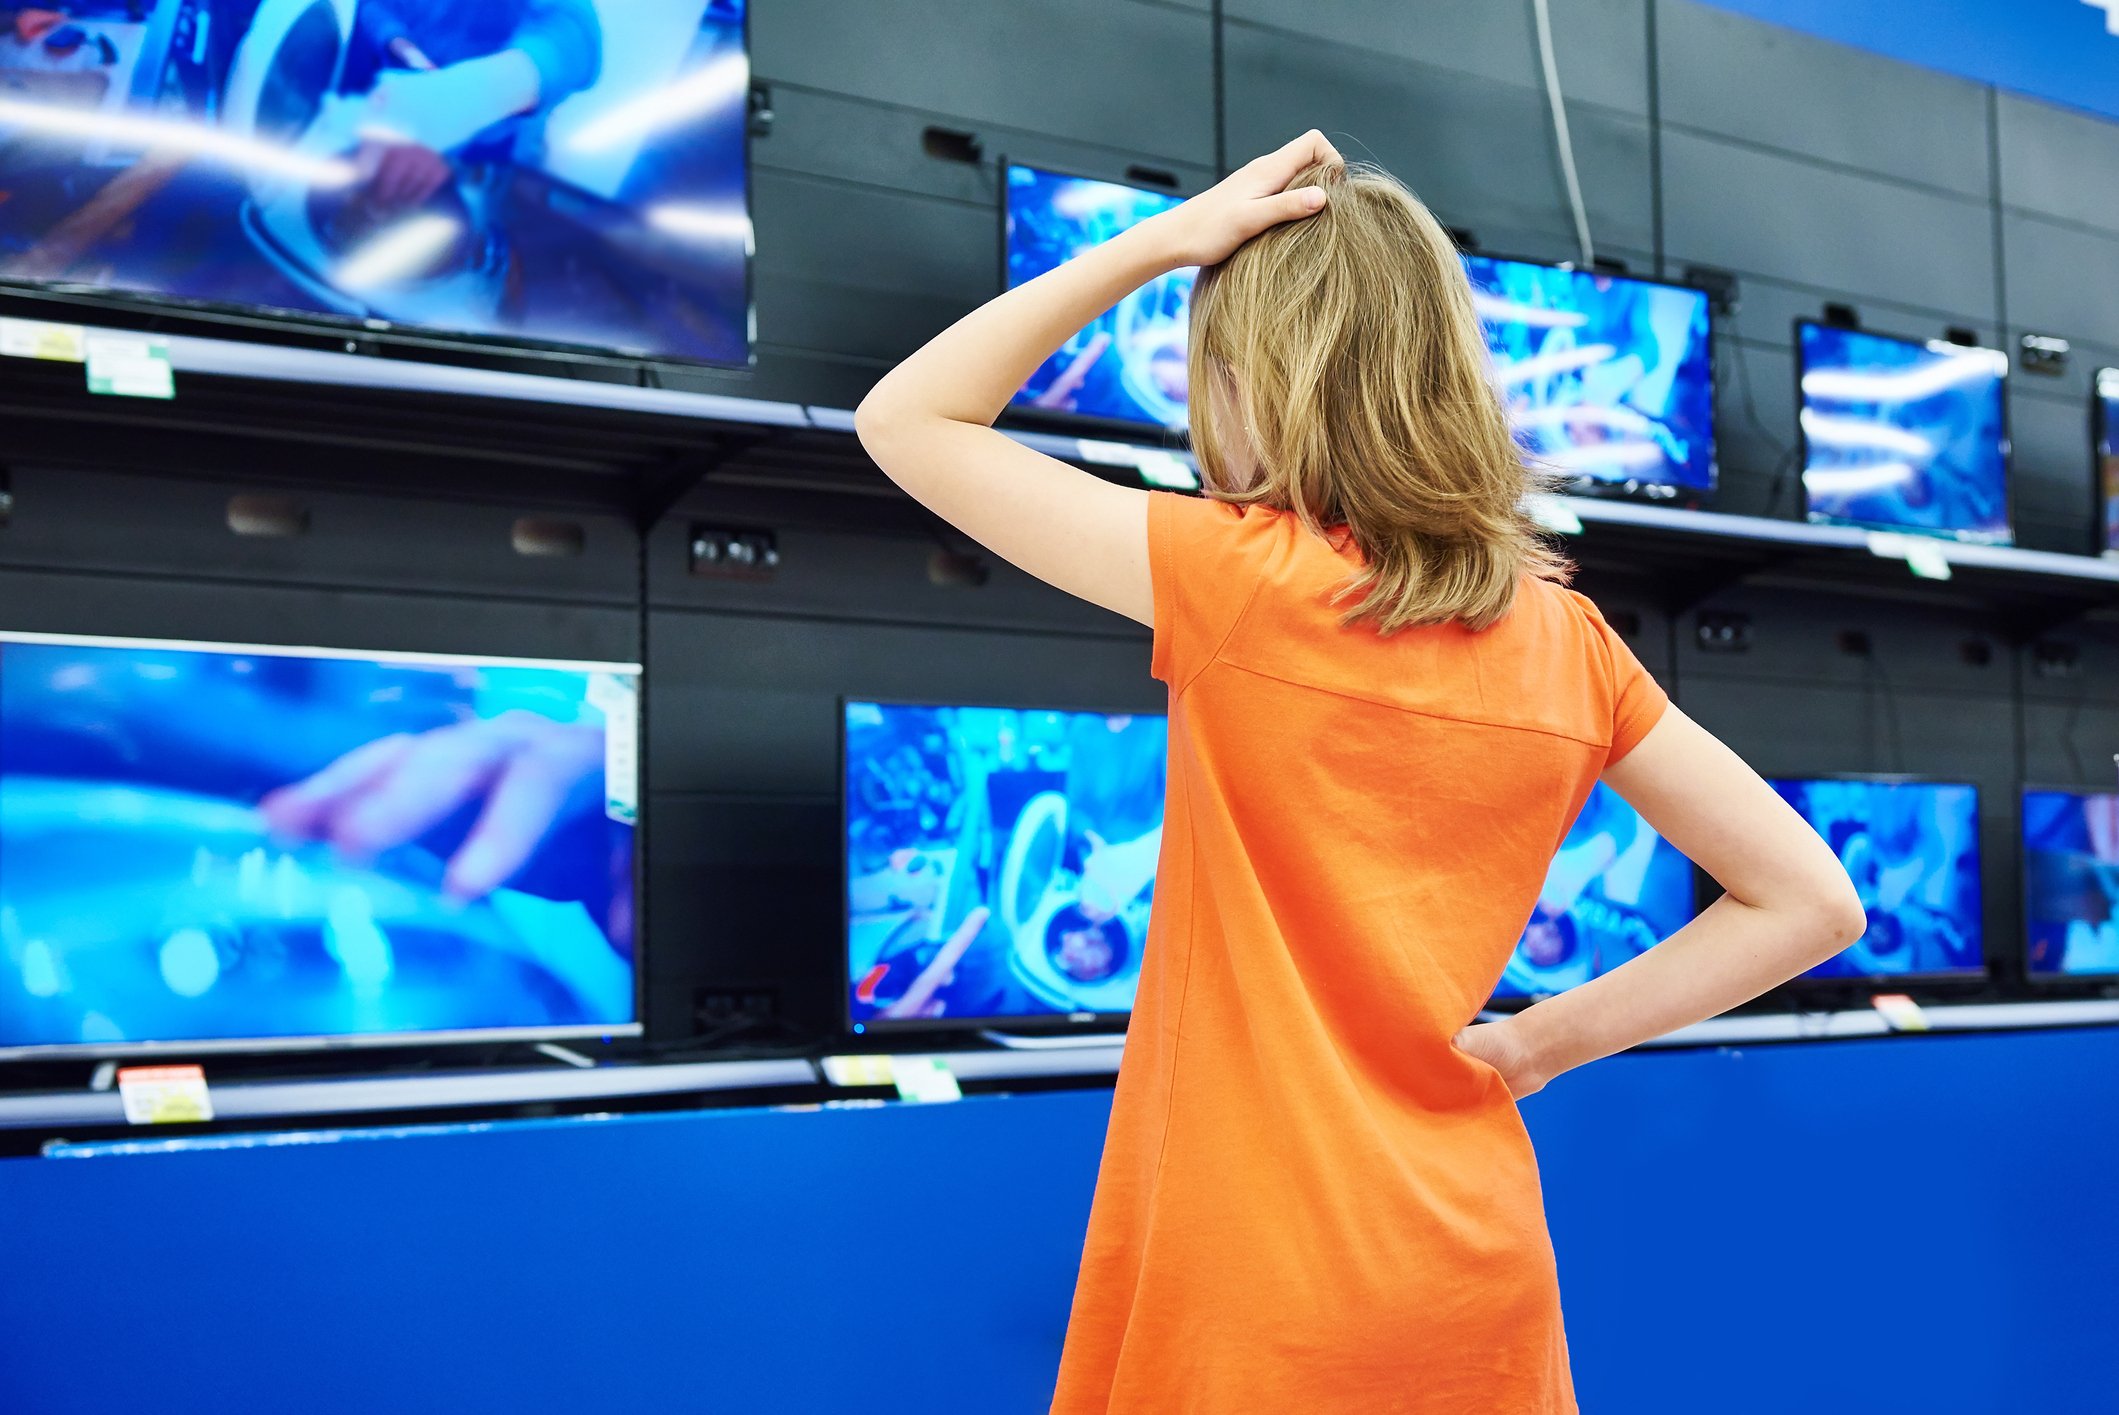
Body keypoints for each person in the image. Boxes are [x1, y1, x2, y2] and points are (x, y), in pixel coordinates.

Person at [854, 132, 1865, 1413]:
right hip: (1472, 1254)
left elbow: (907, 417)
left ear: (1248, 378)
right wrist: (1538, 1046)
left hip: (1266, 1279)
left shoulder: (1239, 578)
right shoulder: (1570, 639)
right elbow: (1813, 901)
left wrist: (1164, 239)